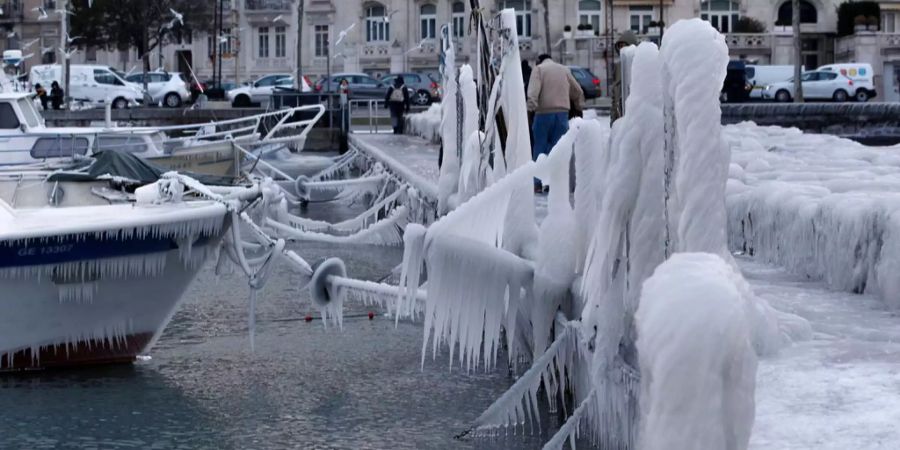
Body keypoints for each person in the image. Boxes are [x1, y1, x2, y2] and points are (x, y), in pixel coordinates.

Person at [527, 54, 584, 192]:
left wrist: (530, 109)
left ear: (539, 61)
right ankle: (557, 183)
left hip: (543, 115)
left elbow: (533, 92)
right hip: (562, 115)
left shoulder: (539, 69)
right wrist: (578, 106)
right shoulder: (564, 69)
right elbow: (578, 91)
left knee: (539, 149)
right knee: (559, 151)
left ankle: (537, 183)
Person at [610, 30, 638, 123]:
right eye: (620, 46)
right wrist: (613, 118)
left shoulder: (638, 64)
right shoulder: (618, 66)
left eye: (624, 46)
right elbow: (615, 92)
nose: (622, 49)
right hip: (620, 111)